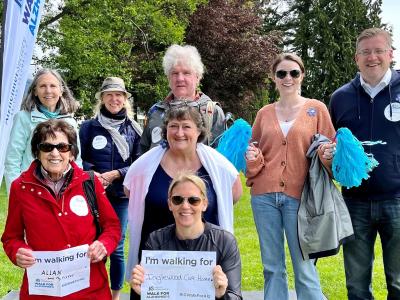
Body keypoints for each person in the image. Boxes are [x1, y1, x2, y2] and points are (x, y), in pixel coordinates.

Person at [123, 105, 242, 299]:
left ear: (199, 131)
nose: (179, 133)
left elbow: (235, 193)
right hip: (157, 253)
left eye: (186, 126)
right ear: (165, 130)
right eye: (173, 126)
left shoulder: (218, 165)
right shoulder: (145, 165)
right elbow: (130, 191)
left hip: (204, 255)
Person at [245, 53, 336, 300]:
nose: (288, 78)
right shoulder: (264, 113)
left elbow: (330, 157)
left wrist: (328, 154)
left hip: (300, 198)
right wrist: (252, 159)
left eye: (294, 73)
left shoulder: (316, 109)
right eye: (281, 73)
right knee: (272, 268)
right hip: (263, 197)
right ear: (274, 78)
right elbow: (253, 160)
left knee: (305, 267)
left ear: (302, 75)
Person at [1, 119, 121, 299]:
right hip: (43, 291)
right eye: (47, 147)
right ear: (37, 152)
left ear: (72, 153)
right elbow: (11, 237)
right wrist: (17, 251)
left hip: (90, 289)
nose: (55, 153)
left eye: (62, 147)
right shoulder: (21, 187)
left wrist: (104, 245)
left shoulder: (89, 182)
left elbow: (112, 226)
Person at [329, 27, 400, 299]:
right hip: (355, 202)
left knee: (398, 282)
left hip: (397, 199)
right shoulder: (340, 98)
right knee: (356, 286)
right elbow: (330, 143)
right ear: (356, 58)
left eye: (379, 50)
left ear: (390, 54)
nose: (373, 57)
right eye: (365, 52)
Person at [130, 172, 242, 299]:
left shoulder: (224, 241)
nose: (185, 206)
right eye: (177, 199)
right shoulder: (155, 240)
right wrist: (143, 292)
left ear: (204, 204)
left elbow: (236, 296)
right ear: (170, 204)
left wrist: (222, 294)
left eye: (193, 200)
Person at [79, 77, 142, 300]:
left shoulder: (135, 129)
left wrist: (117, 174)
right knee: (91, 244)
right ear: (102, 99)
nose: (114, 99)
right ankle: (91, 292)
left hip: (120, 196)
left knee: (115, 247)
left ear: (125, 99)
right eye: (109, 95)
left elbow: (139, 162)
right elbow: (79, 158)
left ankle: (114, 296)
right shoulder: (88, 127)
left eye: (119, 95)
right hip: (92, 194)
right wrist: (93, 174)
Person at [4, 68, 81, 193]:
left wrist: (77, 190)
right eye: (43, 86)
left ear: (61, 90)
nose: (48, 91)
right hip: (31, 188)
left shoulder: (70, 122)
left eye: (53, 86)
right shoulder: (23, 118)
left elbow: (76, 160)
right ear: (35, 91)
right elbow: (12, 160)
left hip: (62, 191)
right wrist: (16, 193)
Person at [139, 44, 226, 153]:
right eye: (175, 73)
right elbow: (142, 154)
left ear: (198, 77)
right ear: (168, 78)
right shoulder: (155, 111)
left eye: (186, 73)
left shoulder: (212, 113)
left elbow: (221, 160)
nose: (180, 78)